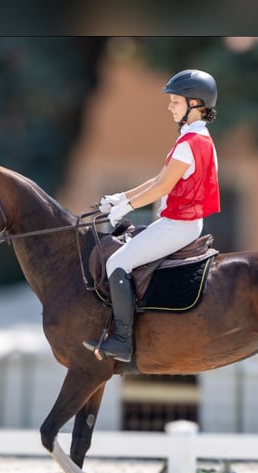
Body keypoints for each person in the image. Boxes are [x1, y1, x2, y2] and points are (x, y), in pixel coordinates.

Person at [84, 69, 221, 362]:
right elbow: (157, 180)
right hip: (177, 222)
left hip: (179, 225)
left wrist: (128, 208)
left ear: (195, 103)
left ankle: (122, 340)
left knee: (117, 262)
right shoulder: (194, 138)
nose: (170, 106)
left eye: (175, 101)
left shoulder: (190, 143)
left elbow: (162, 186)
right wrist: (121, 198)